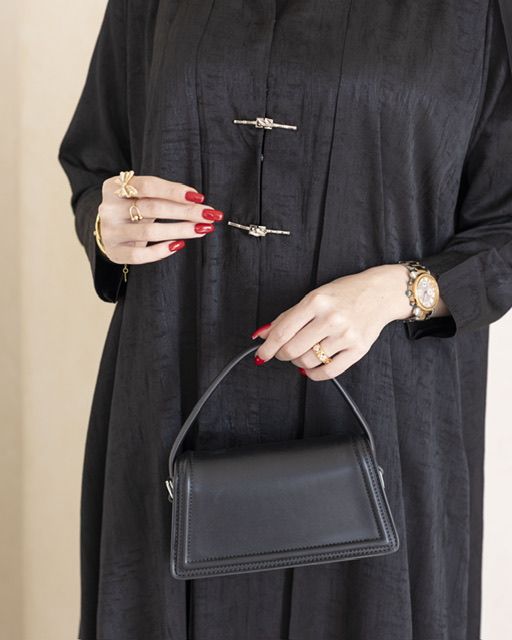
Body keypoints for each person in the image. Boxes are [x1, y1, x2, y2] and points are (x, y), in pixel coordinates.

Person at [59, 1, 512, 638]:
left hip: (384, 411)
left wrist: (399, 291)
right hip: (172, 392)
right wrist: (107, 222)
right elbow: (97, 164)